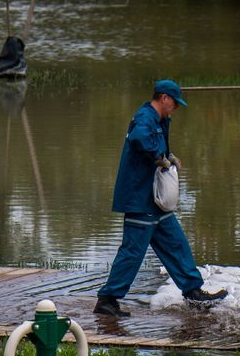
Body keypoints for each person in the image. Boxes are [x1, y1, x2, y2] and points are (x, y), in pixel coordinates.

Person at [94, 79, 227, 317]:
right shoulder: (145, 117)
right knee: (133, 251)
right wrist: (159, 157)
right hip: (139, 197)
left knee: (176, 242)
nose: (175, 108)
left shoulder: (159, 119)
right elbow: (138, 138)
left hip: (154, 200)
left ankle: (193, 292)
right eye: (174, 103)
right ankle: (107, 299)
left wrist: (169, 155)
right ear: (164, 98)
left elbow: (155, 142)